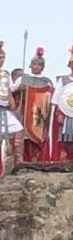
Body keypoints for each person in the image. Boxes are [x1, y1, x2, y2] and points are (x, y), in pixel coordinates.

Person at [12, 48, 54, 162]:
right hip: (25, 114)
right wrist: (19, 88)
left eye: (39, 65)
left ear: (43, 67)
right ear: (31, 65)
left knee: (37, 141)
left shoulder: (47, 81)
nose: (36, 66)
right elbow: (11, 89)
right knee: (23, 140)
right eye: (35, 64)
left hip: (39, 117)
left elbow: (49, 99)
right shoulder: (23, 78)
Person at [0, 42, 24, 174]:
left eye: (3, 57)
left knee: (18, 129)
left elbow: (8, 90)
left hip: (4, 110)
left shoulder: (6, 74)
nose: (1, 60)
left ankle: (18, 160)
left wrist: (11, 100)